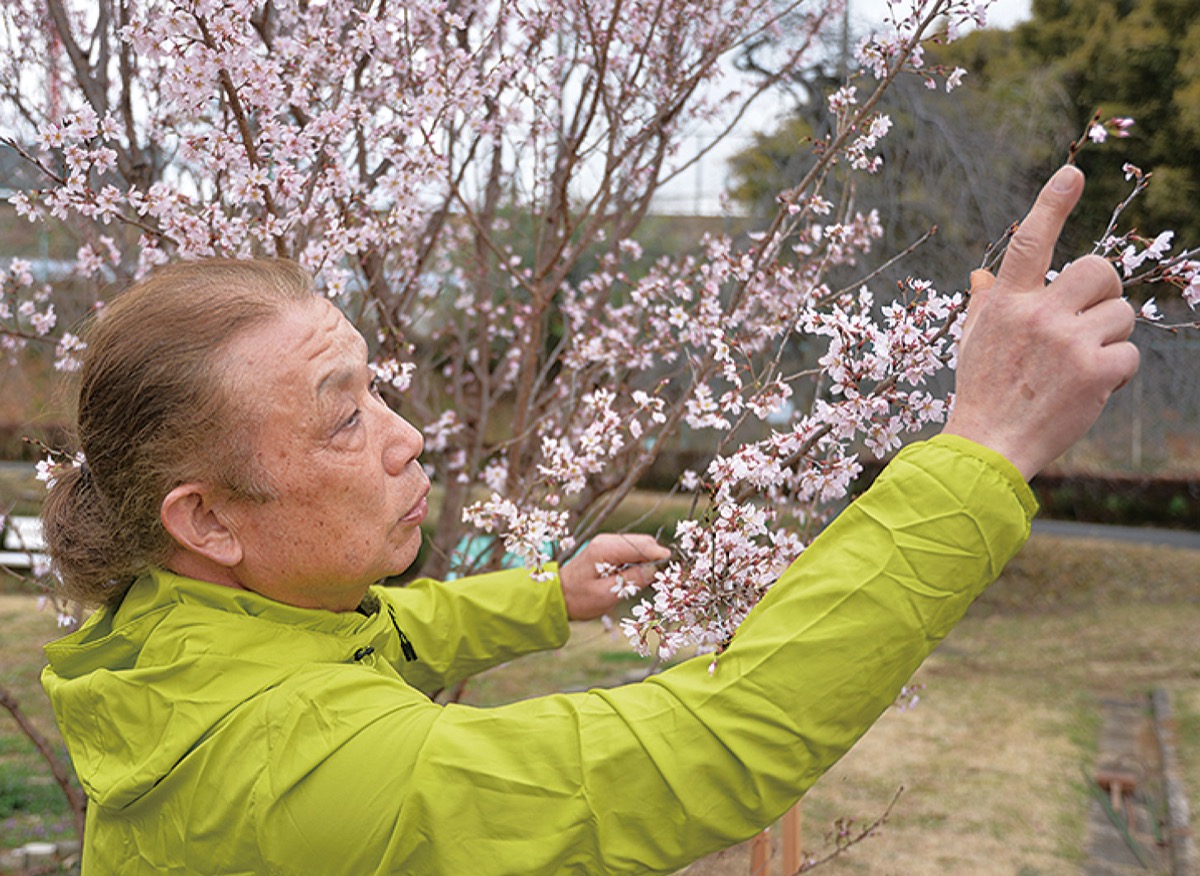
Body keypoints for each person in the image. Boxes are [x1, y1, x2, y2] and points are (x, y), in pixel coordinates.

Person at [40, 165, 1136, 875]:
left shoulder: (178, 638)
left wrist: (542, 599)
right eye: (341, 421)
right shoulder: (302, 777)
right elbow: (714, 751)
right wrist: (981, 451)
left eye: (377, 389)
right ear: (210, 520)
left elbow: (380, 634)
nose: (407, 434)